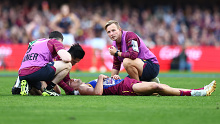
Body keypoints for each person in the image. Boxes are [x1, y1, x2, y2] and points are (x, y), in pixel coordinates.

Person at [17, 31, 85, 96]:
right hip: (37, 70)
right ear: (60, 40)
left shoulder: (37, 42)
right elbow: (66, 61)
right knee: (68, 65)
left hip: (22, 73)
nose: (74, 64)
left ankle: (23, 85)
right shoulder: (56, 43)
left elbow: (65, 78)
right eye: (74, 62)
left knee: (45, 92)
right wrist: (70, 90)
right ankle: (48, 89)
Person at [67, 74, 216, 96]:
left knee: (163, 86)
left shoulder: (85, 83)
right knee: (157, 87)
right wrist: (100, 77)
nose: (73, 79)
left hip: (125, 81)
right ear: (73, 88)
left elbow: (104, 85)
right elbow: (98, 93)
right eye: (70, 81)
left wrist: (112, 77)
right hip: (125, 88)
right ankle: (197, 92)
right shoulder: (83, 89)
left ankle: (200, 90)